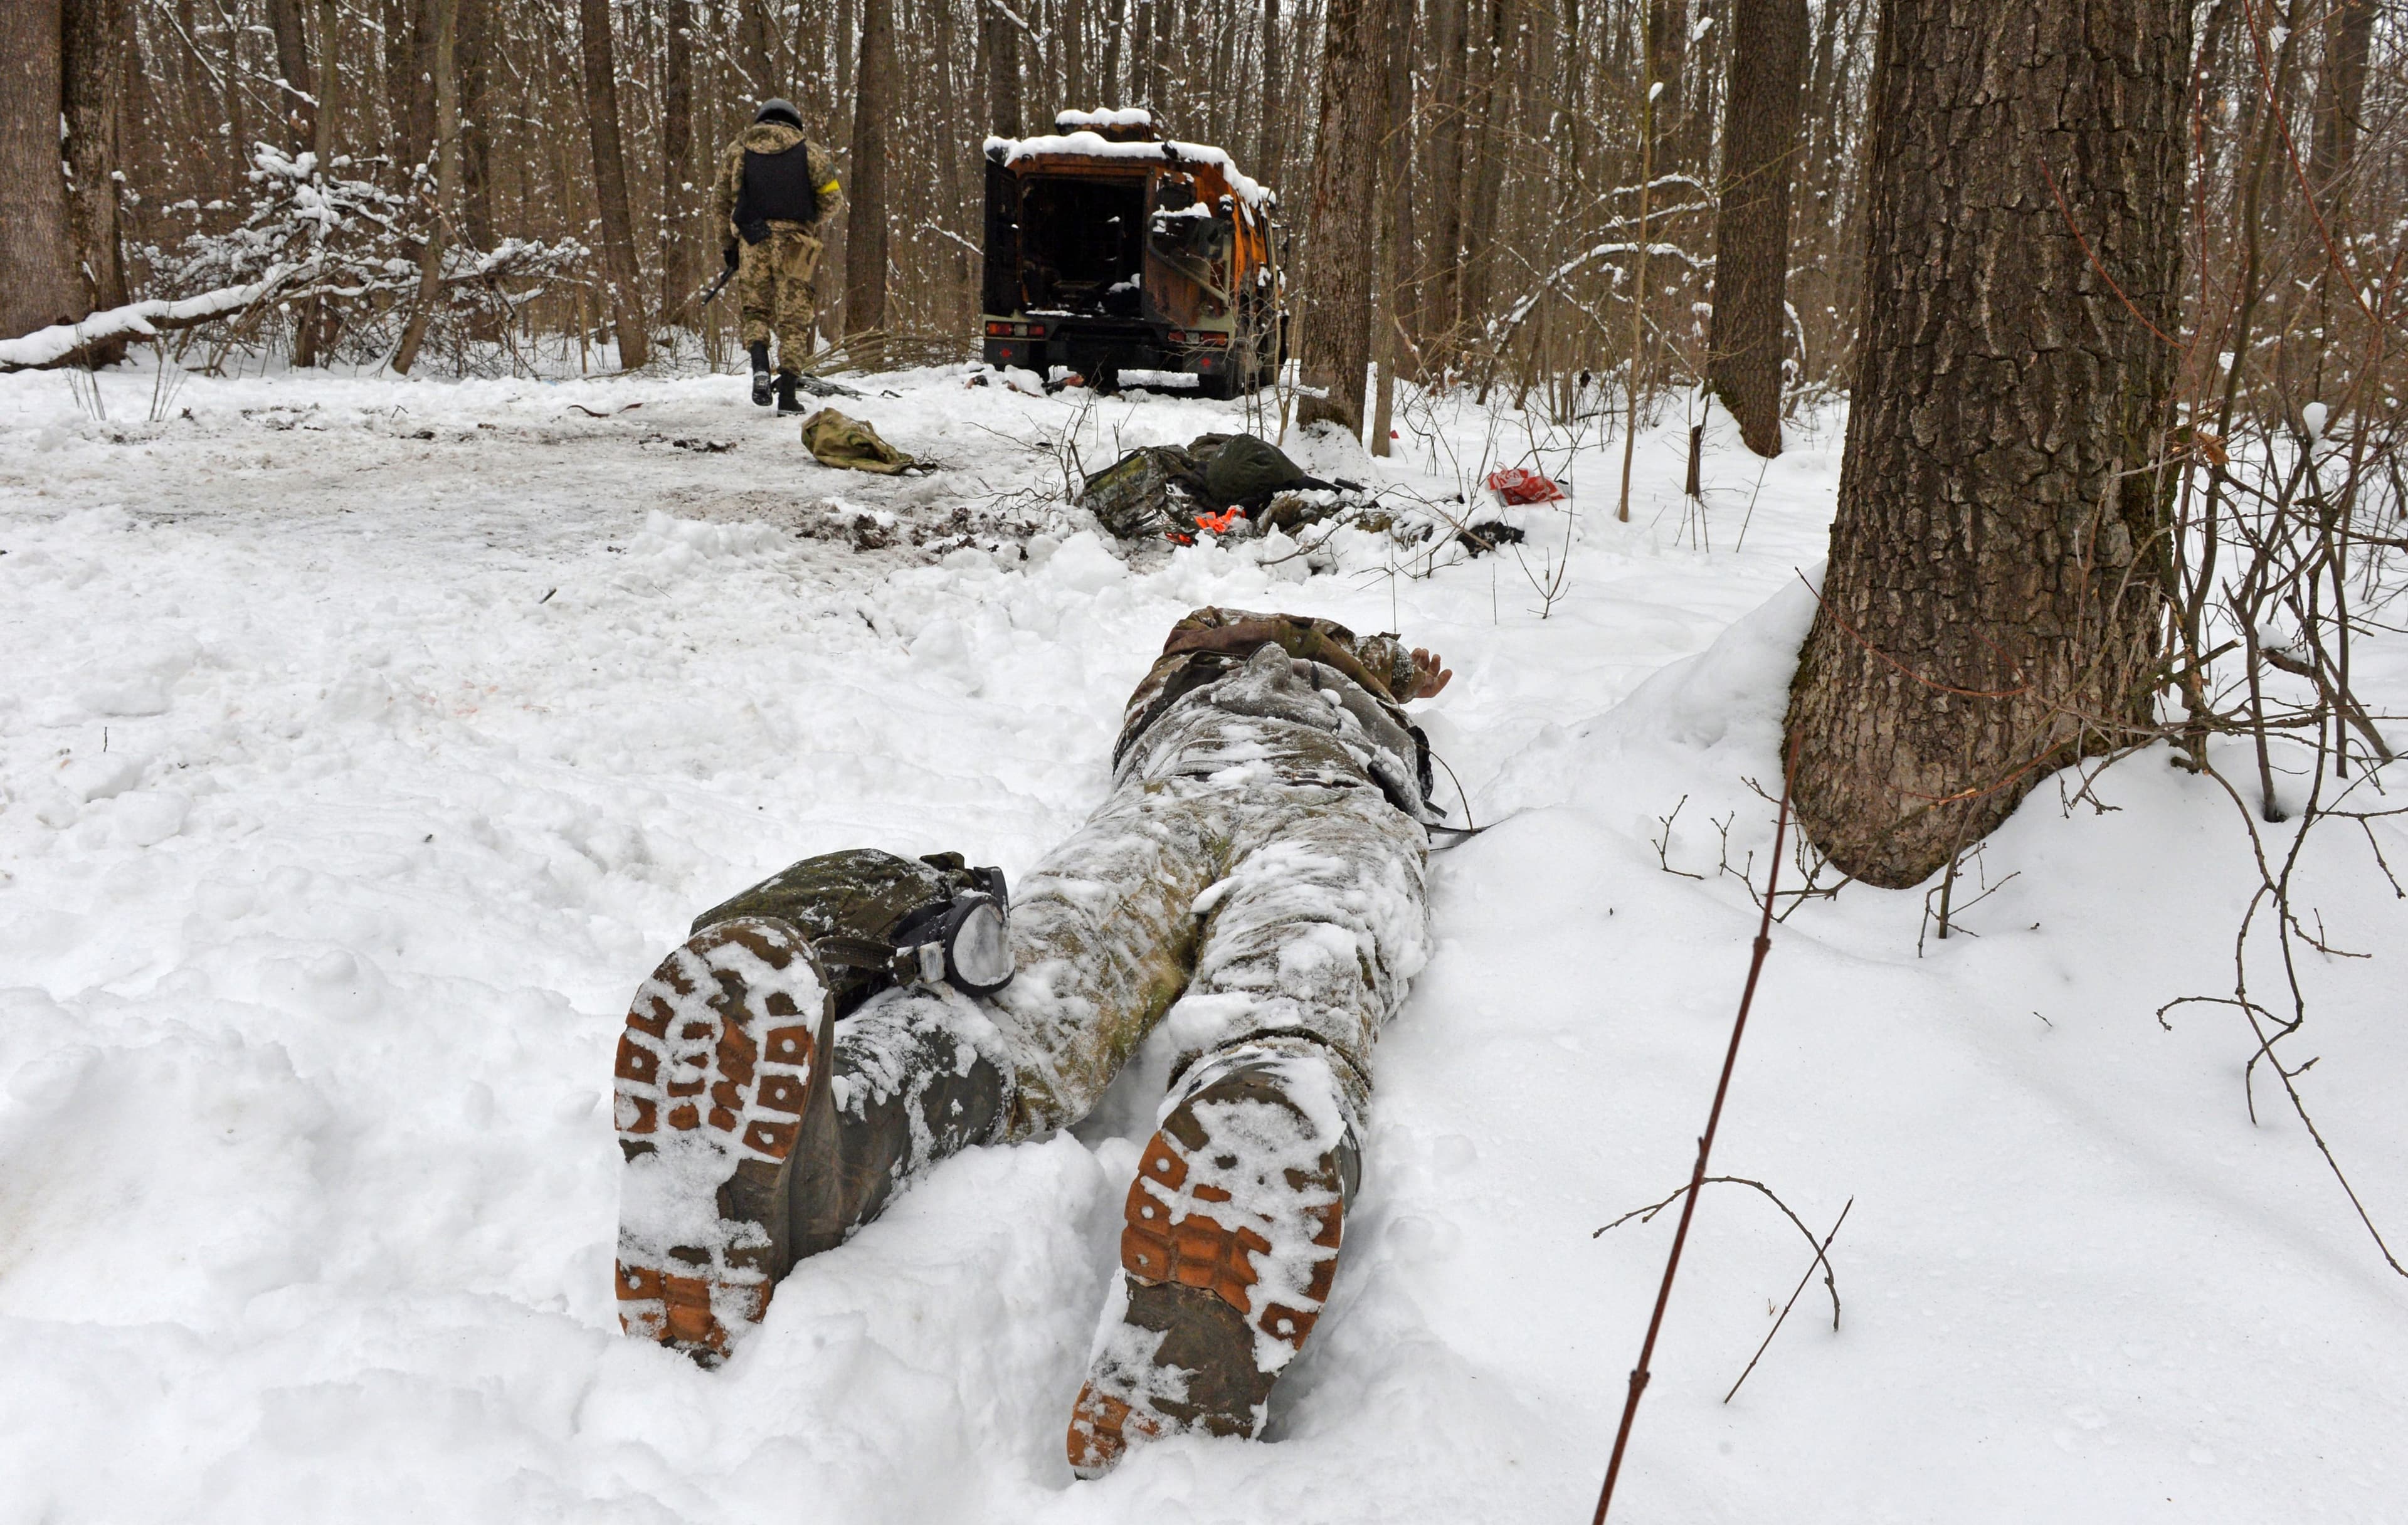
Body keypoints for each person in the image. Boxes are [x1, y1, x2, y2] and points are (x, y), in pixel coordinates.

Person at [611, 608, 1453, 1475]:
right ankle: (826, 1143)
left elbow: (1330, 651)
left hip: (1261, 795)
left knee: (1128, 989)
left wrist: (1391, 669)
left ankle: (1229, 1182)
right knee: (1105, 978)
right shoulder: (1225, 649)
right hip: (1232, 785)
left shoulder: (1340, 686)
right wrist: (1359, 663)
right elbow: (1214, 626)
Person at [712, 98, 844, 414]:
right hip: (796, 242)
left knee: (755, 310)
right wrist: (807, 219)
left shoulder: (736, 150)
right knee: (794, 319)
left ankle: (760, 367)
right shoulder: (811, 152)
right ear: (794, 122)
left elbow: (719, 202)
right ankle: (787, 395)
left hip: (751, 239)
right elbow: (834, 198)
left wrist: (729, 246)